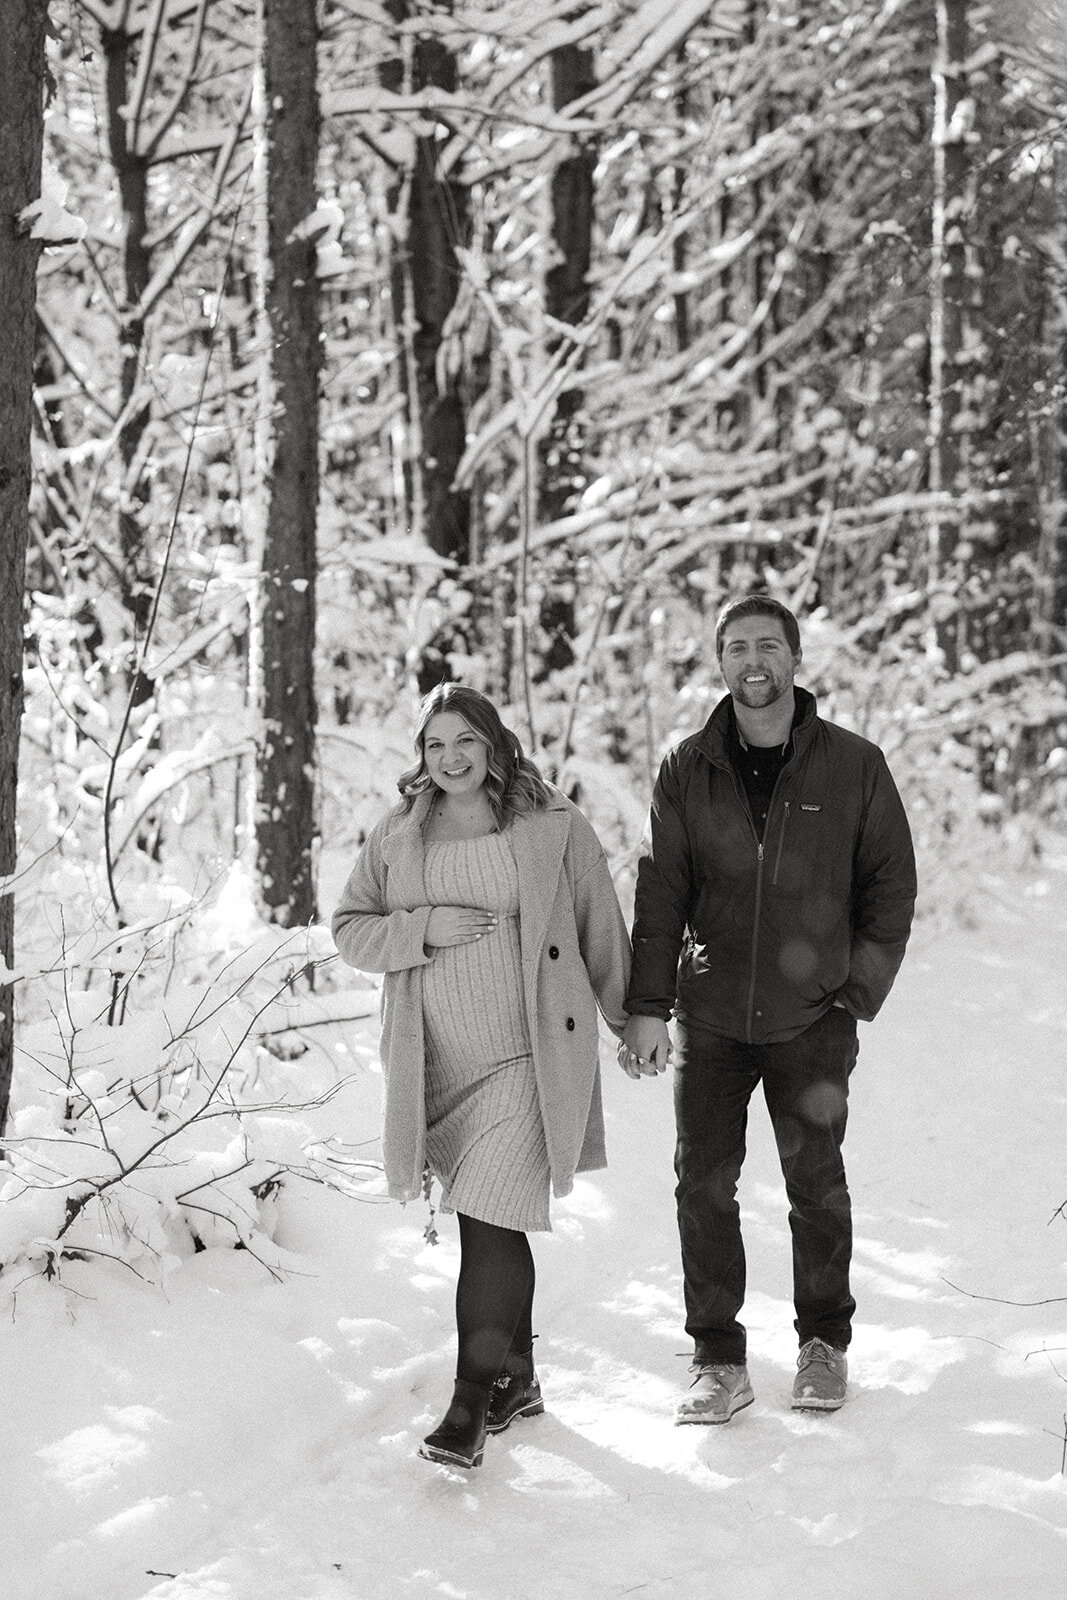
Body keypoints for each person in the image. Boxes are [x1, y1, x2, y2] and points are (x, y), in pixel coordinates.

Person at [619, 596, 916, 1424]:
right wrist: (648, 1005)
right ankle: (717, 1359)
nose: (754, 661)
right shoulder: (686, 767)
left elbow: (889, 885)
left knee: (813, 1183)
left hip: (810, 1019)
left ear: (793, 658)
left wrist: (850, 993)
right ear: (720, 663)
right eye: (738, 648)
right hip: (710, 1016)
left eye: (769, 646)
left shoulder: (852, 765)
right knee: (702, 1186)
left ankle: (822, 1344)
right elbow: (661, 891)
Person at [332, 683, 630, 1469]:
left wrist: (632, 1019)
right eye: (434, 745)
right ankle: (519, 1377)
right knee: (480, 1220)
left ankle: (468, 1404)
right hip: (436, 1065)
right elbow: (348, 929)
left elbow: (600, 923)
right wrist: (420, 927)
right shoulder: (400, 832)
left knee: (492, 1221)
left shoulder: (550, 825)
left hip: (525, 1061)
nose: (450, 758)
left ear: (495, 744)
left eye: (465, 741)